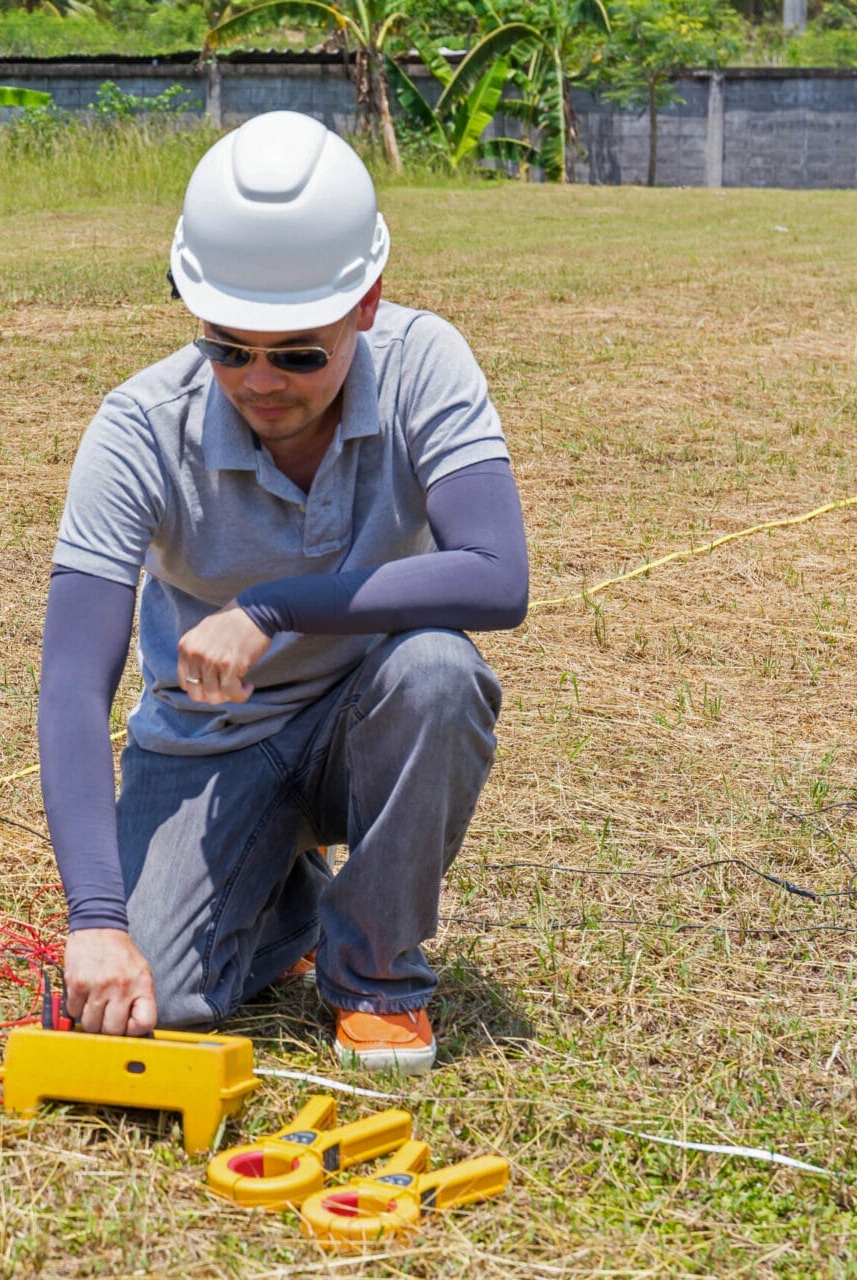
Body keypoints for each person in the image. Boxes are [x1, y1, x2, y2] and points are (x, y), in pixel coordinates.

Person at [37, 111, 529, 1074]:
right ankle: (287, 898)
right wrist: (95, 918)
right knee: (160, 1004)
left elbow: (496, 574)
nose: (259, 381)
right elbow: (71, 685)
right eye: (228, 348)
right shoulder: (139, 427)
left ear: (366, 304)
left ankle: (376, 974)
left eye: (298, 353)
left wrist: (274, 608)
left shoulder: (427, 362)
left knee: (438, 672)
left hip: (369, 722)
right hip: (210, 743)